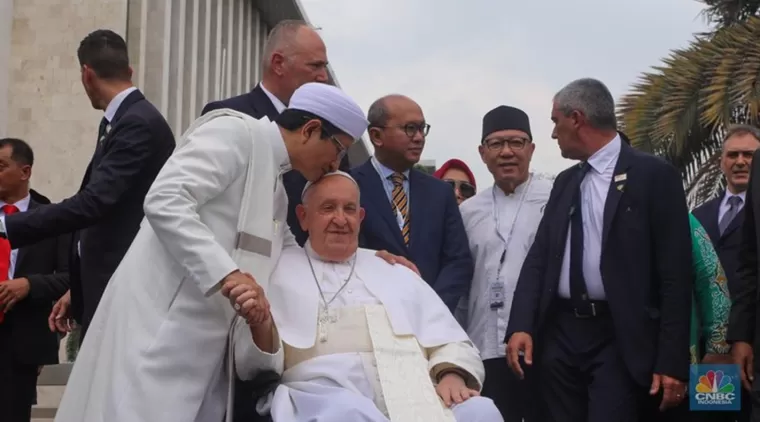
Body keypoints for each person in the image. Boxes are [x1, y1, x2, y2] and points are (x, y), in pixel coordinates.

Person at [52, 82, 371, 422]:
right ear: (310, 130)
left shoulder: (275, 188)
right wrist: (227, 273)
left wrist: (371, 261)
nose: (337, 163)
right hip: (155, 338)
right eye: (338, 149)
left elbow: (294, 251)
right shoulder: (234, 133)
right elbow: (166, 199)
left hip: (203, 360)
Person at [505, 78, 693, 421]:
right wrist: (521, 325)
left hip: (620, 338)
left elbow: (676, 277)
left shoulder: (653, 176)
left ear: (576, 118)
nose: (552, 133)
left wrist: (672, 363)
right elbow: (540, 258)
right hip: (560, 338)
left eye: (554, 121)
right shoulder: (565, 182)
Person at [250, 170, 503, 421]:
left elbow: (451, 339)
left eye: (349, 209)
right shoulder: (276, 271)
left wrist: (451, 373)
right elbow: (254, 361)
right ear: (303, 217)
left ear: (360, 218)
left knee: (481, 411)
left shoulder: (394, 270)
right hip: (323, 399)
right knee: (347, 413)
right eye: (328, 208)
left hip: (416, 394)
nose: (340, 219)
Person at [0, 30, 175, 341]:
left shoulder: (136, 123)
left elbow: (94, 203)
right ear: (128, 71)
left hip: (124, 291)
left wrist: (7, 225)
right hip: (103, 287)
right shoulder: (120, 120)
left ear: (87, 74)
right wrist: (77, 289)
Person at [202, 19, 349, 247]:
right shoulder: (227, 116)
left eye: (325, 67)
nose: (324, 77)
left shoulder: (330, 132)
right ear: (278, 64)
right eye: (315, 66)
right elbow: (184, 203)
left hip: (307, 270)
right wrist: (224, 272)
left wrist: (370, 258)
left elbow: (345, 203)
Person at [458, 106, 551, 421]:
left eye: (517, 142)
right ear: (483, 153)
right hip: (483, 346)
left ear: (532, 149)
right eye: (496, 144)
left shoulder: (554, 197)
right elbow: (462, 281)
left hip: (542, 344)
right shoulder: (468, 211)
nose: (507, 152)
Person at [352, 94, 473, 312]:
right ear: (376, 135)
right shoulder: (350, 187)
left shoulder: (440, 193)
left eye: (422, 128)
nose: (419, 137)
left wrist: (433, 307)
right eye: (409, 128)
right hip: (372, 314)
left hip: (433, 319)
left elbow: (458, 260)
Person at [0, 138, 70, 422]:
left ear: (25, 171)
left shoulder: (52, 218)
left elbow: (70, 277)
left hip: (21, 342)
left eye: (1, 166)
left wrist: (30, 284)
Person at [728, 146, 760, 421]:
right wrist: (740, 336)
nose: (740, 162)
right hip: (727, 352)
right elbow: (750, 262)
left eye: (746, 155)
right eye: (732, 155)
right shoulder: (698, 217)